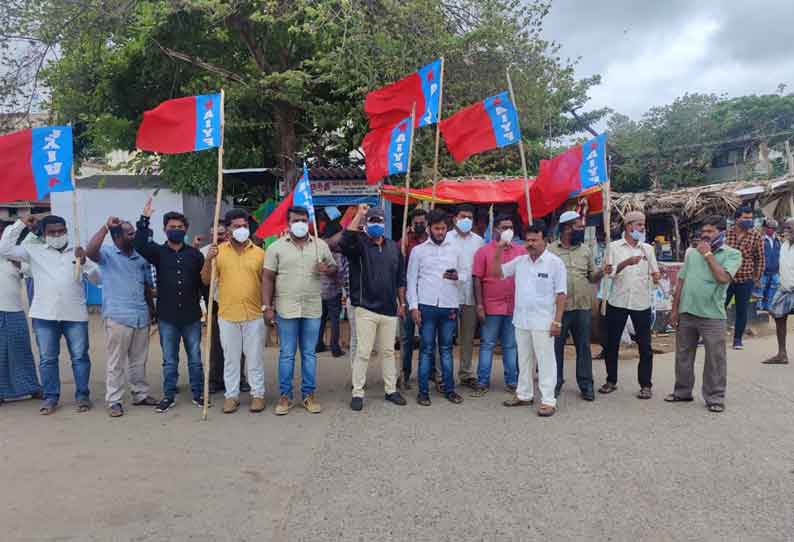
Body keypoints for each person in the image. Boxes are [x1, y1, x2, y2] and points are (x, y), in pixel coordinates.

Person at [0, 215, 99, 415]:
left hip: (75, 315)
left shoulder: (77, 252)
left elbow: (98, 279)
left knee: (80, 357)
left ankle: (82, 396)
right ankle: (50, 397)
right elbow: (5, 249)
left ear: (66, 231)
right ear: (44, 235)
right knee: (47, 359)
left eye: (61, 231)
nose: (57, 235)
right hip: (44, 315)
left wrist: (86, 261)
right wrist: (20, 224)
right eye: (52, 232)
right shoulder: (33, 251)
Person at [134, 198, 208, 413]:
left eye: (179, 227)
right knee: (169, 360)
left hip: (192, 316)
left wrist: (209, 308)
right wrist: (144, 218)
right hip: (167, 316)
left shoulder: (195, 255)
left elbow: (203, 283)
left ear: (185, 229)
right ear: (165, 230)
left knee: (195, 359)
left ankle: (198, 394)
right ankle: (168, 395)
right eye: (171, 227)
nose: (175, 230)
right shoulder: (158, 252)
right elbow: (139, 244)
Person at [262, 206, 337, 415]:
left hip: (312, 307)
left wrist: (327, 270)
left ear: (309, 222)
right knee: (286, 354)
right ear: (288, 223)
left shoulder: (319, 245)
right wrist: (267, 306)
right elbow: (267, 278)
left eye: (304, 220)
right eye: (296, 220)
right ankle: (285, 397)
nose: (300, 224)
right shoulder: (276, 248)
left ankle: (308, 395)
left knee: (309, 354)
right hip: (286, 309)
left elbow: (334, 270)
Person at [666, 215, 742, 412]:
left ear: (721, 232)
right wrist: (675, 310)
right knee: (683, 355)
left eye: (710, 232)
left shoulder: (732, 254)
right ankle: (682, 392)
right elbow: (681, 282)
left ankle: (715, 398)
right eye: (703, 233)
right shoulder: (691, 254)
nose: (705, 236)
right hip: (687, 311)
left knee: (715, 358)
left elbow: (723, 278)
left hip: (713, 315)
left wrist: (708, 255)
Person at [86, 217, 158, 417]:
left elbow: (146, 286)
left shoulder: (140, 257)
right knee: (116, 362)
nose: (134, 236)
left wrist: (152, 311)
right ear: (117, 236)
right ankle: (114, 400)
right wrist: (105, 227)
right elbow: (90, 251)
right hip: (118, 317)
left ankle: (140, 394)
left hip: (141, 316)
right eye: (130, 233)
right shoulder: (107, 254)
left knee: (139, 360)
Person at [493, 220, 566, 417]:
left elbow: (561, 294)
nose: (530, 244)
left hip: (544, 321)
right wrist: (499, 248)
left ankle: (549, 400)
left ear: (546, 240)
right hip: (521, 319)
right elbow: (496, 272)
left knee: (545, 361)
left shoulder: (555, 263)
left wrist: (557, 321)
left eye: (535, 240)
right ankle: (524, 394)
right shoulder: (520, 261)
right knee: (524, 359)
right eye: (528, 240)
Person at [339, 205, 407, 411]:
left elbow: (400, 279)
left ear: (384, 224)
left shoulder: (394, 248)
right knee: (364, 352)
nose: (376, 224)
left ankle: (391, 390)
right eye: (372, 221)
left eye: (379, 221)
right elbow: (344, 241)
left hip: (389, 308)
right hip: (365, 308)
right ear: (366, 224)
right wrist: (359, 214)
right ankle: (357, 392)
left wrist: (402, 303)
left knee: (387, 352)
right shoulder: (358, 244)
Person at [202, 209, 267, 414]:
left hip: (254, 313)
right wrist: (208, 259)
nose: (242, 230)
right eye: (237, 226)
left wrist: (268, 308)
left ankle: (258, 394)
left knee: (255, 357)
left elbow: (267, 282)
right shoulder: (217, 251)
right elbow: (205, 280)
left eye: (245, 226)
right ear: (228, 229)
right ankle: (232, 396)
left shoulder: (259, 253)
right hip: (227, 314)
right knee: (230, 358)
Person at [407, 209, 464, 406]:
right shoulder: (418, 251)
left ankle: (450, 389)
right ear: (429, 229)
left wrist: (458, 276)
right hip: (426, 307)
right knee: (426, 350)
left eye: (443, 228)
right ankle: (423, 392)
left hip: (449, 306)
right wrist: (413, 307)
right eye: (437, 228)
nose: (440, 232)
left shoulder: (455, 249)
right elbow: (411, 280)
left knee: (447, 350)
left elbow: (466, 274)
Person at [601, 211, 660, 399]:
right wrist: (625, 263)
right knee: (611, 343)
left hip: (640, 302)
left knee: (645, 346)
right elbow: (608, 274)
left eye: (643, 225)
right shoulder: (614, 247)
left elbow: (654, 273)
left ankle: (646, 385)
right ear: (628, 226)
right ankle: (611, 380)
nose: (642, 228)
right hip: (617, 301)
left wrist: (656, 276)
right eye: (639, 225)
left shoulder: (647, 249)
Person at [548, 210, 603, 401]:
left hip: (582, 307)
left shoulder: (586, 250)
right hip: (558, 309)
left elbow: (592, 276)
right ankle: (554, 384)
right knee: (555, 348)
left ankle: (586, 385)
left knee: (583, 348)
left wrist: (602, 271)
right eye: (578, 226)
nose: (581, 230)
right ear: (565, 228)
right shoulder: (550, 251)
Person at [470, 214, 525, 397]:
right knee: (487, 344)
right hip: (491, 306)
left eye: (510, 227)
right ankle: (482, 381)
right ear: (495, 230)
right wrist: (479, 305)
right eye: (503, 227)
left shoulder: (521, 251)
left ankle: (512, 382)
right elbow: (477, 279)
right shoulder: (483, 251)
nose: (507, 231)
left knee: (510, 345)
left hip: (513, 307)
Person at [200, 223, 249, 394]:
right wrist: (209, 258)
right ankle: (214, 379)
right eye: (215, 234)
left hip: (236, 303)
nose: (218, 237)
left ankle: (240, 379)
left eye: (221, 234)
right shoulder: (206, 251)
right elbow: (203, 278)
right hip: (214, 303)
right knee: (215, 345)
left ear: (227, 233)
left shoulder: (236, 250)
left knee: (238, 346)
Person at [0, 219, 42, 405]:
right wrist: (18, 223)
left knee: (21, 351)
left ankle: (30, 387)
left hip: (14, 310)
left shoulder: (14, 255)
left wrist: (19, 266)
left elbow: (31, 270)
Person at [445, 204, 484, 388]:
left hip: (469, 296)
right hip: (448, 294)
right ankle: (442, 375)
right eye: (463, 216)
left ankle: (466, 373)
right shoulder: (445, 238)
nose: (466, 220)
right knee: (445, 337)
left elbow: (479, 269)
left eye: (469, 216)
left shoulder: (478, 241)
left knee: (467, 337)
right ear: (455, 218)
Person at [724, 206, 764, 350]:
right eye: (745, 218)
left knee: (742, 310)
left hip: (746, 279)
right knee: (719, 307)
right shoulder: (726, 235)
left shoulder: (756, 235)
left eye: (750, 218)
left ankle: (737, 339)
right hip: (726, 278)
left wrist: (756, 278)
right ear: (737, 219)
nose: (749, 221)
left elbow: (760, 258)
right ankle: (711, 336)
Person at [399, 207, 428, 389]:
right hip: (408, 294)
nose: (419, 225)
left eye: (422, 222)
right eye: (416, 223)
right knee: (406, 338)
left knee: (428, 337)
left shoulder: (433, 241)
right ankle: (405, 373)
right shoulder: (403, 242)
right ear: (411, 224)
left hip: (427, 294)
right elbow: (398, 271)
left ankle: (430, 373)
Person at [763, 218, 794, 365]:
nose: (787, 230)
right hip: (784, 288)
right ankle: (782, 354)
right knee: (778, 315)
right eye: (786, 227)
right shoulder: (784, 245)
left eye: (790, 227)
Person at [317, 226, 347, 358]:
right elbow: (339, 272)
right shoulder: (336, 252)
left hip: (319, 291)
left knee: (321, 320)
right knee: (334, 320)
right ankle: (335, 348)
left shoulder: (317, 249)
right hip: (334, 291)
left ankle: (318, 345)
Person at [757, 218, 780, 311]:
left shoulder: (777, 240)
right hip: (762, 270)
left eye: (774, 228)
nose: (773, 230)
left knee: (772, 290)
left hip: (774, 270)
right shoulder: (760, 239)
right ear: (766, 228)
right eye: (771, 228)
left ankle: (768, 306)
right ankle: (758, 307)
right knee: (760, 290)